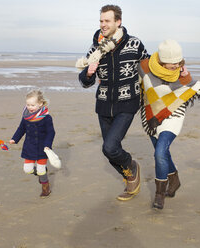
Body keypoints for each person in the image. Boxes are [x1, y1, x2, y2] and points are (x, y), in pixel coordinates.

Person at [138, 39, 200, 209]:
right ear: (161, 61)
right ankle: (174, 179)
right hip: (151, 117)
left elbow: (199, 87)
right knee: (162, 152)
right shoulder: (145, 68)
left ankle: (159, 194)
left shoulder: (183, 76)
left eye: (179, 62)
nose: (176, 66)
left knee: (160, 153)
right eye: (172, 63)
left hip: (173, 116)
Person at [76, 5, 149, 201]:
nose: (103, 24)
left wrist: (181, 74)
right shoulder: (95, 49)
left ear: (118, 22)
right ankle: (129, 176)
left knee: (110, 147)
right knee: (108, 151)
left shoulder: (134, 44)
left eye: (107, 21)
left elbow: (151, 68)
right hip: (103, 104)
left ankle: (131, 168)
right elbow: (84, 82)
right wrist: (89, 73)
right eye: (101, 21)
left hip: (127, 103)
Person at [9, 89, 55, 198]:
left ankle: (45, 188)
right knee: (27, 169)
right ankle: (40, 173)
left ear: (40, 104)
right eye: (28, 104)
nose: (30, 107)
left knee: (41, 170)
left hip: (42, 148)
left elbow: (51, 132)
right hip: (29, 147)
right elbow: (21, 129)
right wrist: (14, 139)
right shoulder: (26, 117)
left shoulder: (46, 118)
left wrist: (47, 145)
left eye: (32, 105)